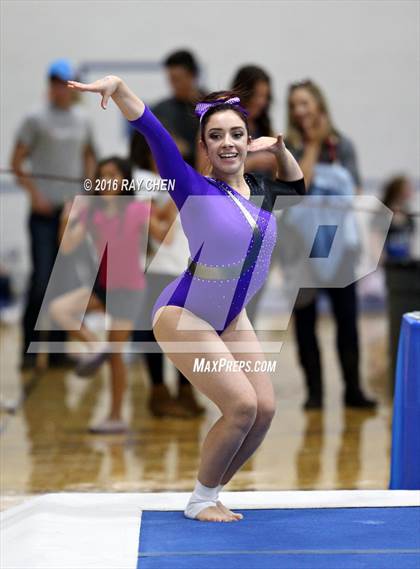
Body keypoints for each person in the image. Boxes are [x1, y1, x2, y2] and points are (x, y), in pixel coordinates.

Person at [67, 75, 305, 522]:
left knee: (265, 410)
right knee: (242, 407)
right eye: (216, 137)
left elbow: (298, 188)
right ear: (204, 146)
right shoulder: (193, 188)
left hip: (232, 318)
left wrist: (279, 151)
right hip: (185, 314)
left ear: (248, 140)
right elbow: (152, 130)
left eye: (236, 134)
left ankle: (211, 491)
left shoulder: (264, 190)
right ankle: (199, 500)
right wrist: (118, 89)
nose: (228, 144)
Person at [50, 157, 165, 433]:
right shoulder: (92, 213)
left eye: (113, 174)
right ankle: (95, 346)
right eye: (102, 175)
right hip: (103, 286)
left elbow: (164, 236)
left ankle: (115, 416)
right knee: (58, 310)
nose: (107, 180)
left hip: (130, 290)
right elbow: (66, 247)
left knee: (116, 357)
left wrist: (168, 206)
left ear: (124, 180)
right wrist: (69, 216)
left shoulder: (137, 209)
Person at [285, 79, 376, 409]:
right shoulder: (289, 150)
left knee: (347, 318)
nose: (300, 110)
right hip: (302, 249)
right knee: (306, 323)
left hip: (340, 247)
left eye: (305, 103)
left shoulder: (344, 146)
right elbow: (298, 189)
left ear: (319, 106)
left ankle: (353, 388)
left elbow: (354, 192)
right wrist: (310, 147)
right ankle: (315, 393)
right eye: (294, 104)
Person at [11, 59, 96, 370]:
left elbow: (89, 157)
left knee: (67, 282)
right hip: (43, 215)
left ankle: (59, 352)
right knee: (41, 280)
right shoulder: (34, 119)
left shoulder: (83, 120)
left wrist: (83, 196)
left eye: (67, 83)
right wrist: (35, 195)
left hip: (70, 215)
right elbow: (17, 161)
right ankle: (29, 351)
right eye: (57, 82)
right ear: (51, 85)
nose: (62, 88)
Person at [130, 134, 204, 418]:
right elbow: (160, 232)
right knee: (155, 332)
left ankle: (185, 390)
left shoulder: (179, 180)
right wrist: (177, 198)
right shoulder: (139, 181)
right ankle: (158, 392)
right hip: (154, 269)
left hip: (183, 267)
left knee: (185, 333)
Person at [151, 49, 204, 166]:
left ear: (192, 75)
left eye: (177, 79)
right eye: (170, 80)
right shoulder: (161, 111)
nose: (173, 85)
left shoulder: (212, 107)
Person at [381, 175, 415, 261]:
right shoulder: (384, 213)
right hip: (388, 263)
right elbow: (375, 238)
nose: (410, 192)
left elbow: (409, 239)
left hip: (404, 261)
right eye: (406, 189)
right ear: (397, 191)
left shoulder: (408, 215)